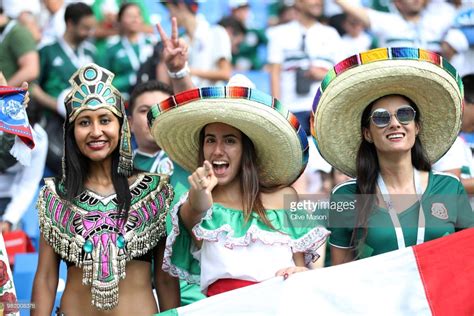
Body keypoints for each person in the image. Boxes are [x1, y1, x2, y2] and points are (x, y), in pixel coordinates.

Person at [149, 73, 329, 297]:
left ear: (247, 149)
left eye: (230, 140)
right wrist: (200, 194)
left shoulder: (286, 197)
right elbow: (196, 208)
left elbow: (301, 267)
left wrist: (298, 271)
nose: (217, 150)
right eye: (210, 140)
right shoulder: (196, 201)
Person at [31, 63, 179, 314]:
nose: (96, 131)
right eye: (84, 122)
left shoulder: (154, 190)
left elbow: (165, 278)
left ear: (121, 127)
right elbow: (46, 279)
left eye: (105, 120)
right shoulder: (56, 196)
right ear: (72, 131)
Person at [311, 47, 474, 265]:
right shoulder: (346, 195)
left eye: (405, 114)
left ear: (416, 127)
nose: (395, 123)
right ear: (367, 133)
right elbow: (340, 273)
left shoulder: (449, 186)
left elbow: (468, 258)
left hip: (438, 299)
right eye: (381, 118)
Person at [158, 0, 232, 87]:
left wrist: (186, 70)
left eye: (170, 10)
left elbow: (225, 73)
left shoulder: (216, 32)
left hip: (212, 98)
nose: (169, 16)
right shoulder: (182, 40)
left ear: (181, 6)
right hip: (191, 97)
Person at [100, 2, 155, 100]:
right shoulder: (112, 48)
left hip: (151, 96)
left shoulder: (152, 43)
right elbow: (103, 80)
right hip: (122, 99)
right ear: (120, 20)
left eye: (137, 15)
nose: (134, 19)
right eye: (129, 16)